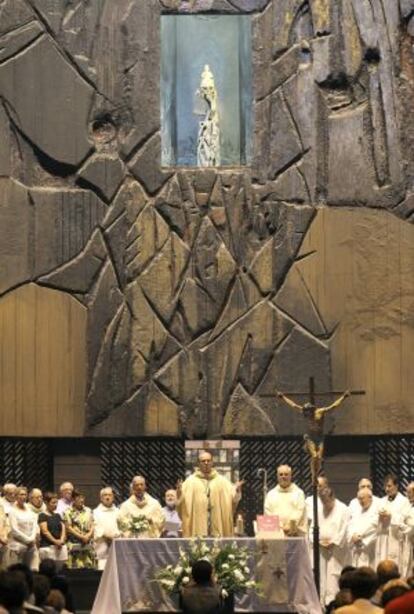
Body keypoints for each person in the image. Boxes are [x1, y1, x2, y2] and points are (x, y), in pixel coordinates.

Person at [177, 451, 242, 538]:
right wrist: (179, 493)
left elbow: (233, 500)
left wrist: (237, 492)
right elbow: (181, 503)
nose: (206, 463)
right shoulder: (190, 481)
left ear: (212, 462)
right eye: (203, 461)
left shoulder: (222, 481)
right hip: (198, 525)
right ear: (198, 463)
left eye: (208, 460)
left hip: (217, 524)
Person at [309, 487, 350, 605]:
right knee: (321, 577)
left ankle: (333, 604)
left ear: (332, 497)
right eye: (322, 502)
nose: (325, 505)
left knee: (333, 577)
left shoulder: (343, 509)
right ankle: (321, 603)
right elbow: (312, 529)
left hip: (336, 550)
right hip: (321, 548)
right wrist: (318, 541)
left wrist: (334, 542)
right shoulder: (319, 509)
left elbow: (344, 529)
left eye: (327, 501)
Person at [264, 465, 307, 536]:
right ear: (277, 476)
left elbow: (299, 511)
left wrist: (289, 525)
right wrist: (281, 527)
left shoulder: (299, 493)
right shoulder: (271, 494)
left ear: (290, 476)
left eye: (286, 474)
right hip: (276, 534)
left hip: (295, 534)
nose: (283, 476)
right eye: (281, 474)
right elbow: (268, 513)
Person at [376, 474, 408, 567]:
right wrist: (379, 517)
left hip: (396, 539)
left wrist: (391, 516)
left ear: (396, 486)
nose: (387, 489)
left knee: (394, 566)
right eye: (385, 486)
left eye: (389, 486)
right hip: (383, 538)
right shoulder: (381, 501)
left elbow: (404, 521)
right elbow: (374, 520)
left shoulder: (404, 501)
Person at [7, 487, 38, 570]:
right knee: (18, 573)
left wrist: (32, 539)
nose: (23, 496)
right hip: (18, 546)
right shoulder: (12, 511)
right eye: (21, 494)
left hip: (31, 546)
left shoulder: (29, 510)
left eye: (25, 494)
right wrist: (28, 540)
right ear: (16, 496)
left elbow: (34, 525)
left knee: (31, 571)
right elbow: (14, 531)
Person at [64, 490, 95, 569]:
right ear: (73, 499)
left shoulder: (88, 510)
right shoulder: (68, 512)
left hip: (87, 546)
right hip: (74, 546)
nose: (81, 500)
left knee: (89, 571)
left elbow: (92, 525)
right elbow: (68, 528)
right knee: (74, 572)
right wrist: (81, 537)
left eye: (82, 497)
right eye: (78, 497)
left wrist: (88, 535)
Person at [347, 489, 378, 567]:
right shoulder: (357, 511)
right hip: (356, 549)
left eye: (362, 498)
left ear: (370, 498)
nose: (360, 501)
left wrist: (361, 538)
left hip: (369, 549)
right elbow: (350, 526)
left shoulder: (376, 511)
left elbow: (375, 528)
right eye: (359, 499)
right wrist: (352, 536)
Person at [93, 487, 120, 570]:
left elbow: (122, 526)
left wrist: (115, 537)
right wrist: (106, 537)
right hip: (102, 545)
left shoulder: (118, 511)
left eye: (110, 495)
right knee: (102, 572)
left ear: (113, 497)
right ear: (101, 498)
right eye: (105, 495)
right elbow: (95, 527)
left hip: (116, 543)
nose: (107, 497)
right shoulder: (95, 512)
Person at [38, 492, 67, 567]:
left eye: (56, 502)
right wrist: (55, 541)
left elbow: (63, 528)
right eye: (53, 503)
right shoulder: (42, 515)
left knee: (59, 569)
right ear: (46, 503)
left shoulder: (57, 515)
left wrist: (61, 540)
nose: (55, 505)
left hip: (59, 546)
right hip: (47, 546)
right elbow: (45, 531)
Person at [399, 481, 414, 576]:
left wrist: (406, 522)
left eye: (409, 492)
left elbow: (412, 527)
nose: (407, 495)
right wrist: (405, 523)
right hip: (408, 542)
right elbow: (399, 522)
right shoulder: (407, 505)